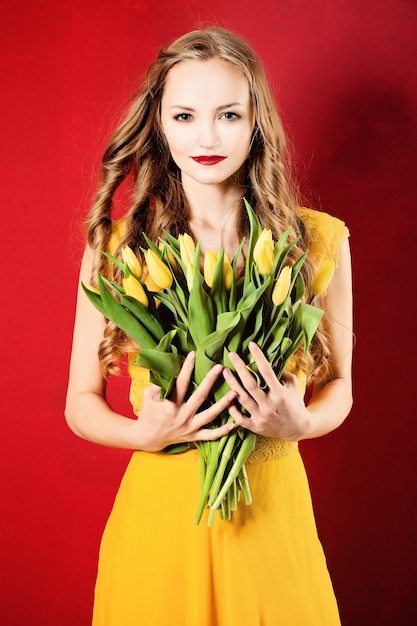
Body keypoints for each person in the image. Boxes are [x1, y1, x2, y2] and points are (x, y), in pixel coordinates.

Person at [65, 26, 352, 626]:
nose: (207, 136)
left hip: (272, 518)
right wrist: (142, 435)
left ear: (256, 124)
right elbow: (80, 403)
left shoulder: (317, 242)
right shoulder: (118, 249)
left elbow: (342, 388)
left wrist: (301, 422)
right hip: (161, 520)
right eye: (185, 115)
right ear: (160, 125)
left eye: (228, 115)